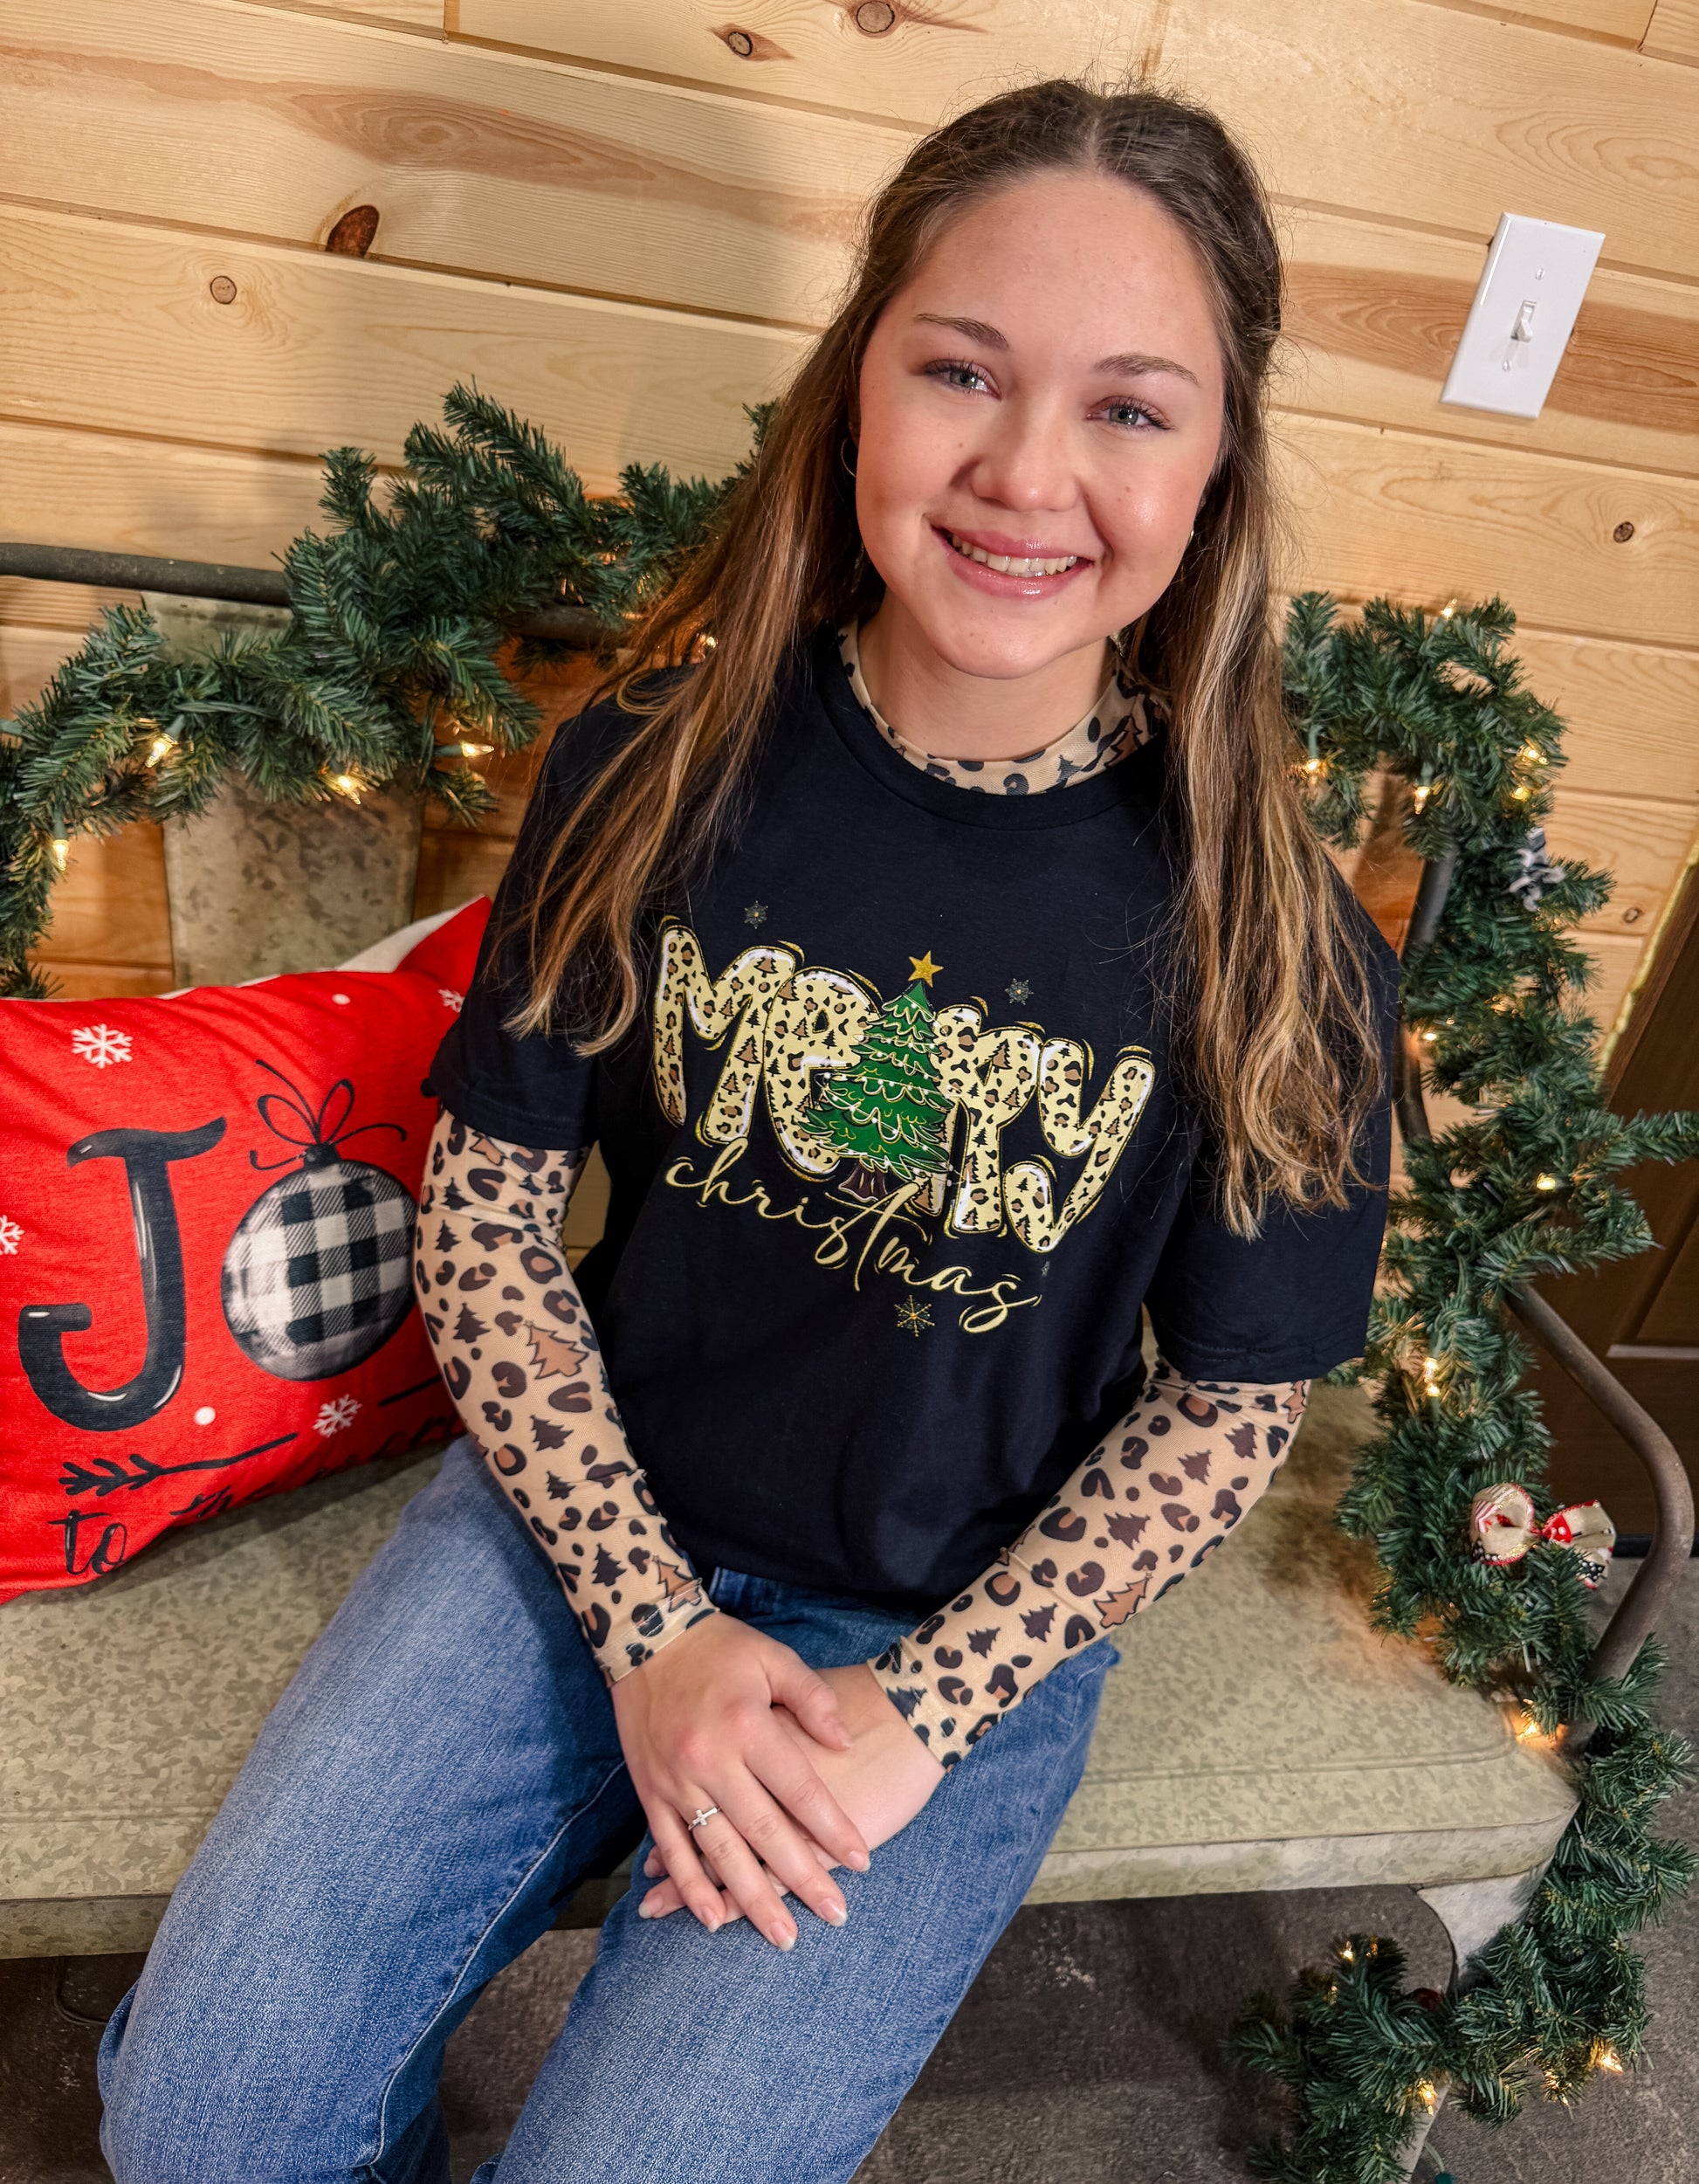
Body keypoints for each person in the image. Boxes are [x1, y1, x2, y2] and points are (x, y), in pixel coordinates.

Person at [99, 75, 1399, 2184]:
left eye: (1128, 408)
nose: (1023, 473)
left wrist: (928, 1707)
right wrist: (647, 1624)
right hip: (585, 1518)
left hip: (937, 1637)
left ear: (1219, 458)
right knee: (200, 2120)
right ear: (856, 380)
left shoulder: (1274, 938)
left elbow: (1227, 1411)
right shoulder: (654, 764)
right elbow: (495, 1218)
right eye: (958, 371)